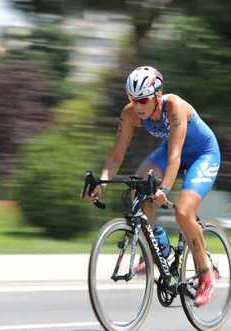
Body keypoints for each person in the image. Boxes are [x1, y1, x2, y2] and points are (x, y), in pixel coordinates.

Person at [83, 66, 221, 307]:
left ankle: (206, 274)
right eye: (133, 99)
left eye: (143, 99)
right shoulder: (130, 114)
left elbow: (175, 158)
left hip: (202, 155)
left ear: (157, 96)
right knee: (139, 185)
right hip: (170, 153)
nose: (138, 106)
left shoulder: (175, 107)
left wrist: (164, 190)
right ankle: (157, 245)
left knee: (182, 212)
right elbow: (116, 157)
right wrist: (101, 183)